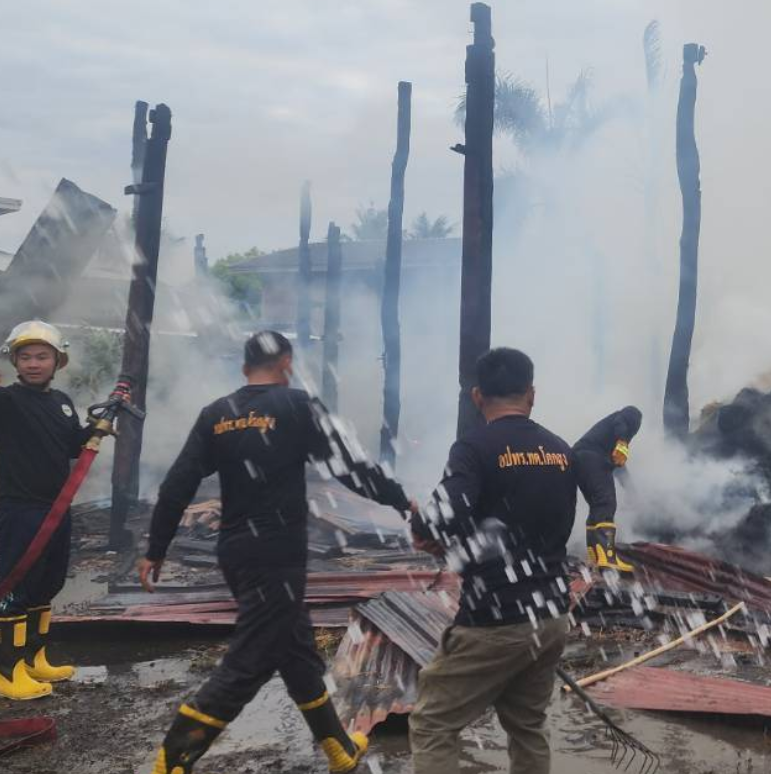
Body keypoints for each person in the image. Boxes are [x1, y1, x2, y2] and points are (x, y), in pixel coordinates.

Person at [138, 331, 411, 774]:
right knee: (250, 659)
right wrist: (400, 500)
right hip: (276, 553)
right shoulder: (298, 405)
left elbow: (177, 484)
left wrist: (156, 547)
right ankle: (173, 759)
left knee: (296, 650)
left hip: (236, 550)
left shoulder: (217, 414)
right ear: (286, 362)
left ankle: (339, 749)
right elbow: (350, 468)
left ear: (245, 367)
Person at [408, 347, 583, 774]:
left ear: (476, 396)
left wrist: (423, 527)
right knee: (528, 725)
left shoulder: (473, 448)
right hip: (551, 614)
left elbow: (442, 521)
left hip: (496, 618)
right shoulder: (560, 449)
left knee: (432, 721)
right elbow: (540, 526)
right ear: (532, 394)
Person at [0, 320, 90, 701]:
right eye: (25, 357)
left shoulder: (63, 404)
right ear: (14, 362)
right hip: (20, 510)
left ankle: (34, 660)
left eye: (42, 356)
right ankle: (6, 675)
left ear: (58, 361)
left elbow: (73, 447)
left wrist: (96, 430)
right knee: (14, 590)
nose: (34, 363)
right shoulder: (4, 400)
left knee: (46, 584)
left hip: (56, 509)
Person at [573, 406, 642, 573]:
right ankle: (609, 556)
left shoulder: (607, 439)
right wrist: (623, 441)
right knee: (606, 504)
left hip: (579, 458)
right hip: (591, 458)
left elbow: (619, 466)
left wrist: (631, 490)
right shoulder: (624, 419)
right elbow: (622, 420)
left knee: (597, 505)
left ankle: (596, 553)